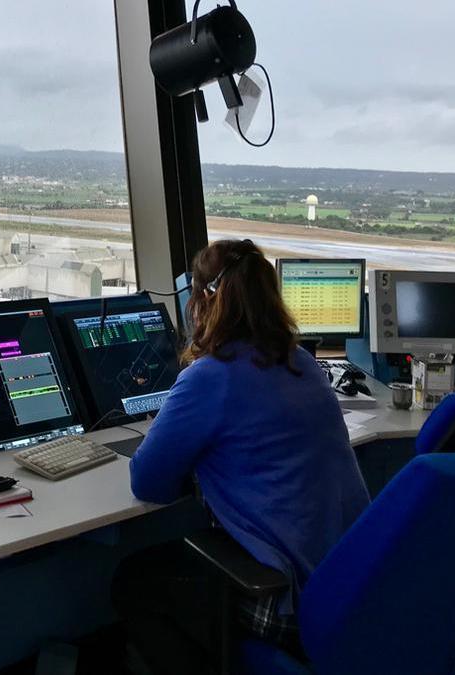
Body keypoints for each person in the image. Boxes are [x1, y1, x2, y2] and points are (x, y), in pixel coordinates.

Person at [112, 239, 371, 674]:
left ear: (204, 301)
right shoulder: (303, 363)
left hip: (287, 602)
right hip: (345, 588)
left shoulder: (210, 377)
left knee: (135, 582)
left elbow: (148, 482)